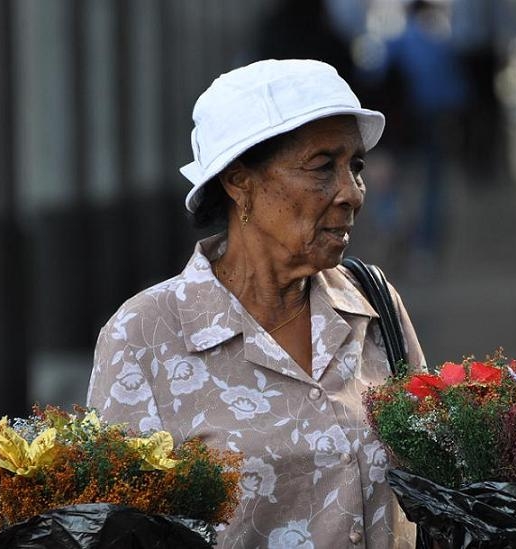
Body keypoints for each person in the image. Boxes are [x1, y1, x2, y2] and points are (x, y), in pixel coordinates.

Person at [86, 59, 425, 548]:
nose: (351, 193)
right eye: (322, 167)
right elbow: (118, 533)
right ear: (239, 181)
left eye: (356, 167)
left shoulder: (372, 305)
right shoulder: (144, 338)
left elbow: (433, 480)